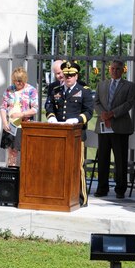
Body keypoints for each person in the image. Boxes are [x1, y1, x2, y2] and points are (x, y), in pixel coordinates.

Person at [45, 61, 95, 205]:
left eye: (71, 75)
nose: (68, 78)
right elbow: (49, 107)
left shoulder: (84, 90)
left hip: (77, 135)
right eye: (66, 75)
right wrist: (52, 117)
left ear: (76, 76)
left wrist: (77, 120)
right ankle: (59, 194)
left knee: (77, 166)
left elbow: (89, 112)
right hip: (60, 134)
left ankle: (81, 198)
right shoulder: (56, 90)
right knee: (58, 164)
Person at [93, 59, 135, 198]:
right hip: (103, 126)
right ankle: (102, 188)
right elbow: (96, 102)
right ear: (109, 69)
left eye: (118, 69)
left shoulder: (129, 86)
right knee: (103, 158)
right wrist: (103, 114)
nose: (114, 71)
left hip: (120, 127)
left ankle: (120, 189)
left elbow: (129, 103)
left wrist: (112, 113)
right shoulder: (101, 84)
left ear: (123, 70)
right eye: (112, 68)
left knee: (120, 159)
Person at [0, 66, 38, 167]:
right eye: (16, 80)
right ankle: (12, 175)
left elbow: (35, 109)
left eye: (20, 80)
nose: (18, 83)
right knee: (11, 154)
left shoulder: (31, 90)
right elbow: (3, 107)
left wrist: (21, 114)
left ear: (24, 80)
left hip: (24, 125)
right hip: (11, 126)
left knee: (25, 153)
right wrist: (4, 122)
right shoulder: (9, 90)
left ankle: (24, 177)